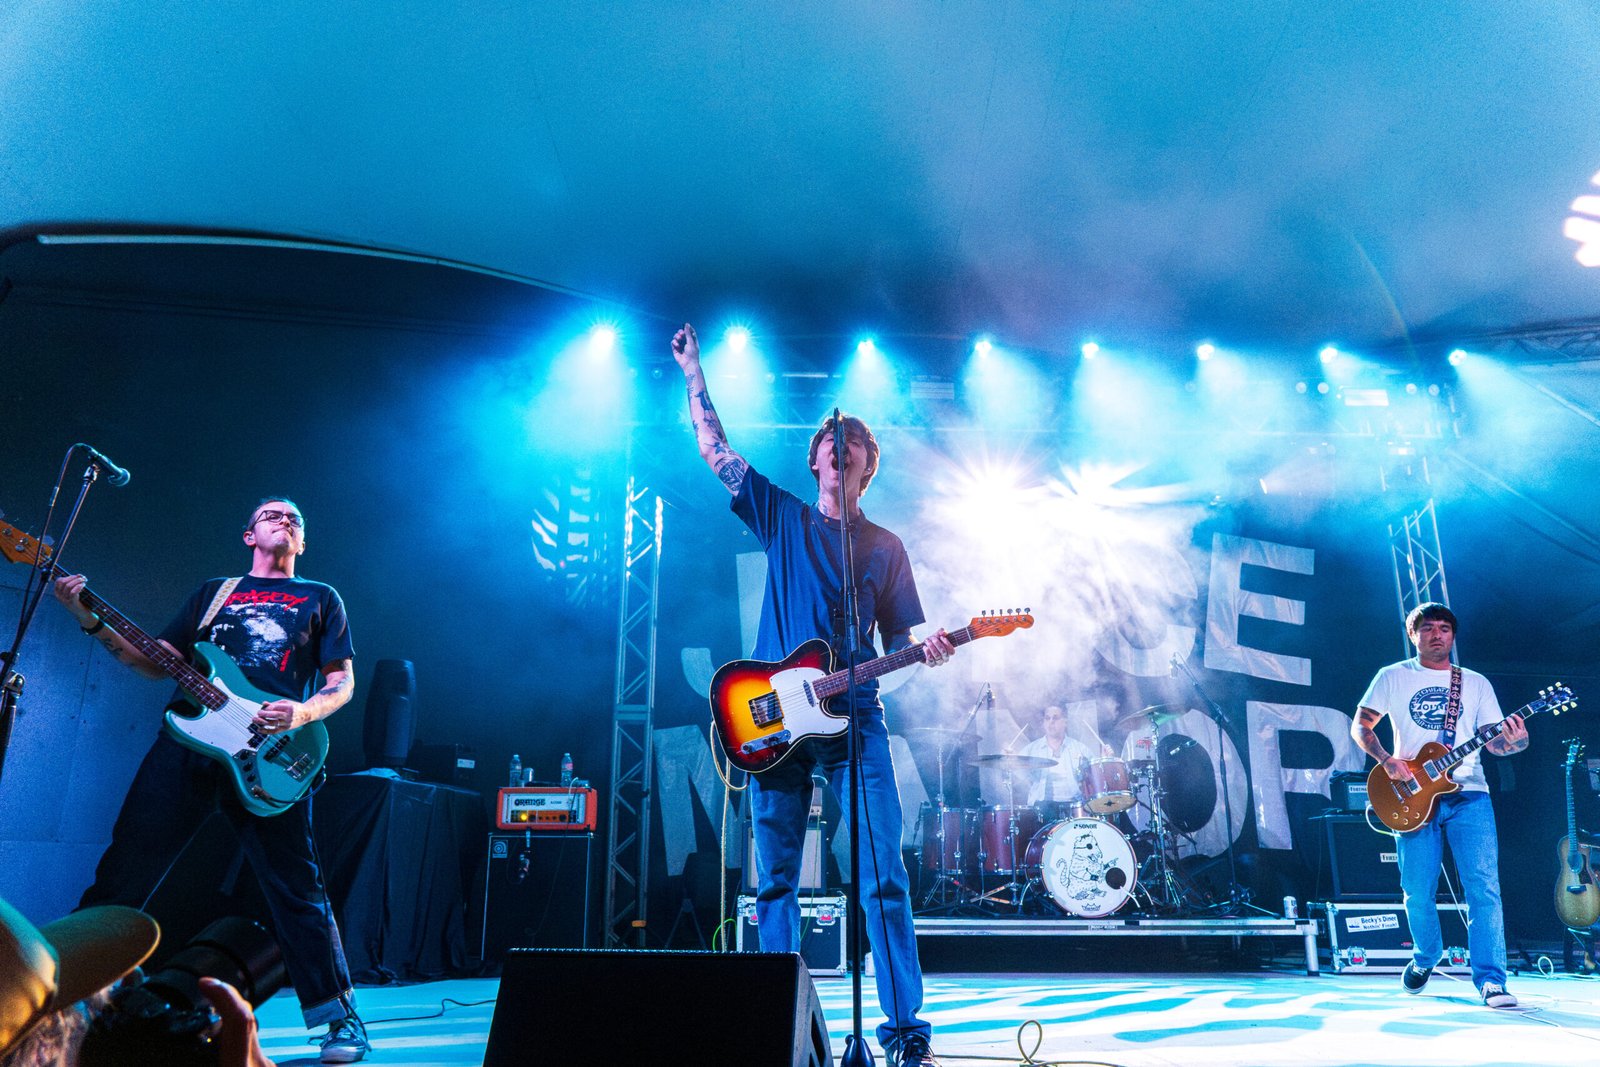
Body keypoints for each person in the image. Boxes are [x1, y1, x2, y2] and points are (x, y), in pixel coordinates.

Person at [671, 323, 955, 1067]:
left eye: (854, 440)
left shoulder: (885, 546)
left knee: (883, 878)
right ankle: (780, 1027)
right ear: (817, 459)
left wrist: (928, 650)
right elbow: (716, 452)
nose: (840, 442)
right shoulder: (783, 517)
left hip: (857, 722)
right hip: (772, 723)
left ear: (866, 468)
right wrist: (696, 374)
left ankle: (905, 1034)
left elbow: (908, 642)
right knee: (773, 886)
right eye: (832, 438)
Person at [52, 498, 369, 1062]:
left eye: (295, 518)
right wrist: (88, 616)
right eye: (273, 514)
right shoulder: (214, 592)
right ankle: (69, 995)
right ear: (249, 533)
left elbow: (341, 683)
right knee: (126, 867)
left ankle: (338, 1020)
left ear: (302, 542)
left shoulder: (321, 598)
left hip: (269, 756)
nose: (287, 519)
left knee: (298, 888)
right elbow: (155, 661)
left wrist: (299, 714)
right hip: (188, 747)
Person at [1350, 601, 1527, 1009]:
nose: (1437, 634)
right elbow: (1361, 725)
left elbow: (1497, 743)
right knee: (1416, 889)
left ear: (1453, 635)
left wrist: (1516, 737)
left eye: (1445, 628)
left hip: (1470, 795)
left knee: (1483, 888)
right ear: (1413, 634)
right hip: (1412, 794)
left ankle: (1491, 980)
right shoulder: (1392, 677)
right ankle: (1426, 956)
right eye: (1428, 628)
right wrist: (1387, 761)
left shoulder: (1475, 683)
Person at [1020, 705, 1095, 813]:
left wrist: (1106, 761)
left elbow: (1095, 776)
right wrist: (1008, 760)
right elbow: (1015, 773)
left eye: (1055, 718)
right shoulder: (1031, 749)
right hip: (1042, 808)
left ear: (1065, 722)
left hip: (1074, 807)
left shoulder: (1080, 748)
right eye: (1047, 718)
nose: (1051, 722)